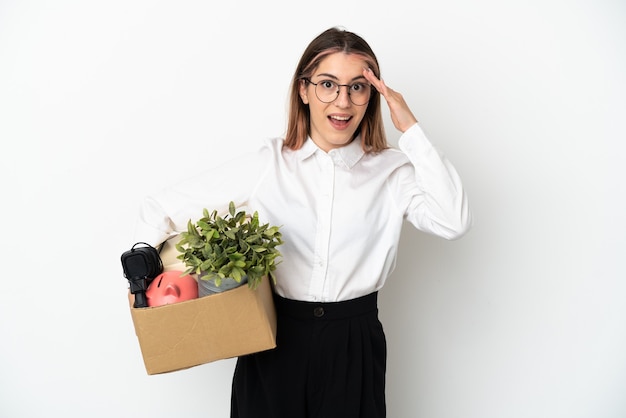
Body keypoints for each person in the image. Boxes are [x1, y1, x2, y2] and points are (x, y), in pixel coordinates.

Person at [133, 26, 472, 418]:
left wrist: (411, 129)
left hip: (354, 344)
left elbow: (454, 221)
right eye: (328, 84)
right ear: (304, 90)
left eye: (357, 87)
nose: (342, 101)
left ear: (372, 96)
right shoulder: (269, 165)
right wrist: (142, 280)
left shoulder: (393, 171)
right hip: (274, 340)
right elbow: (159, 207)